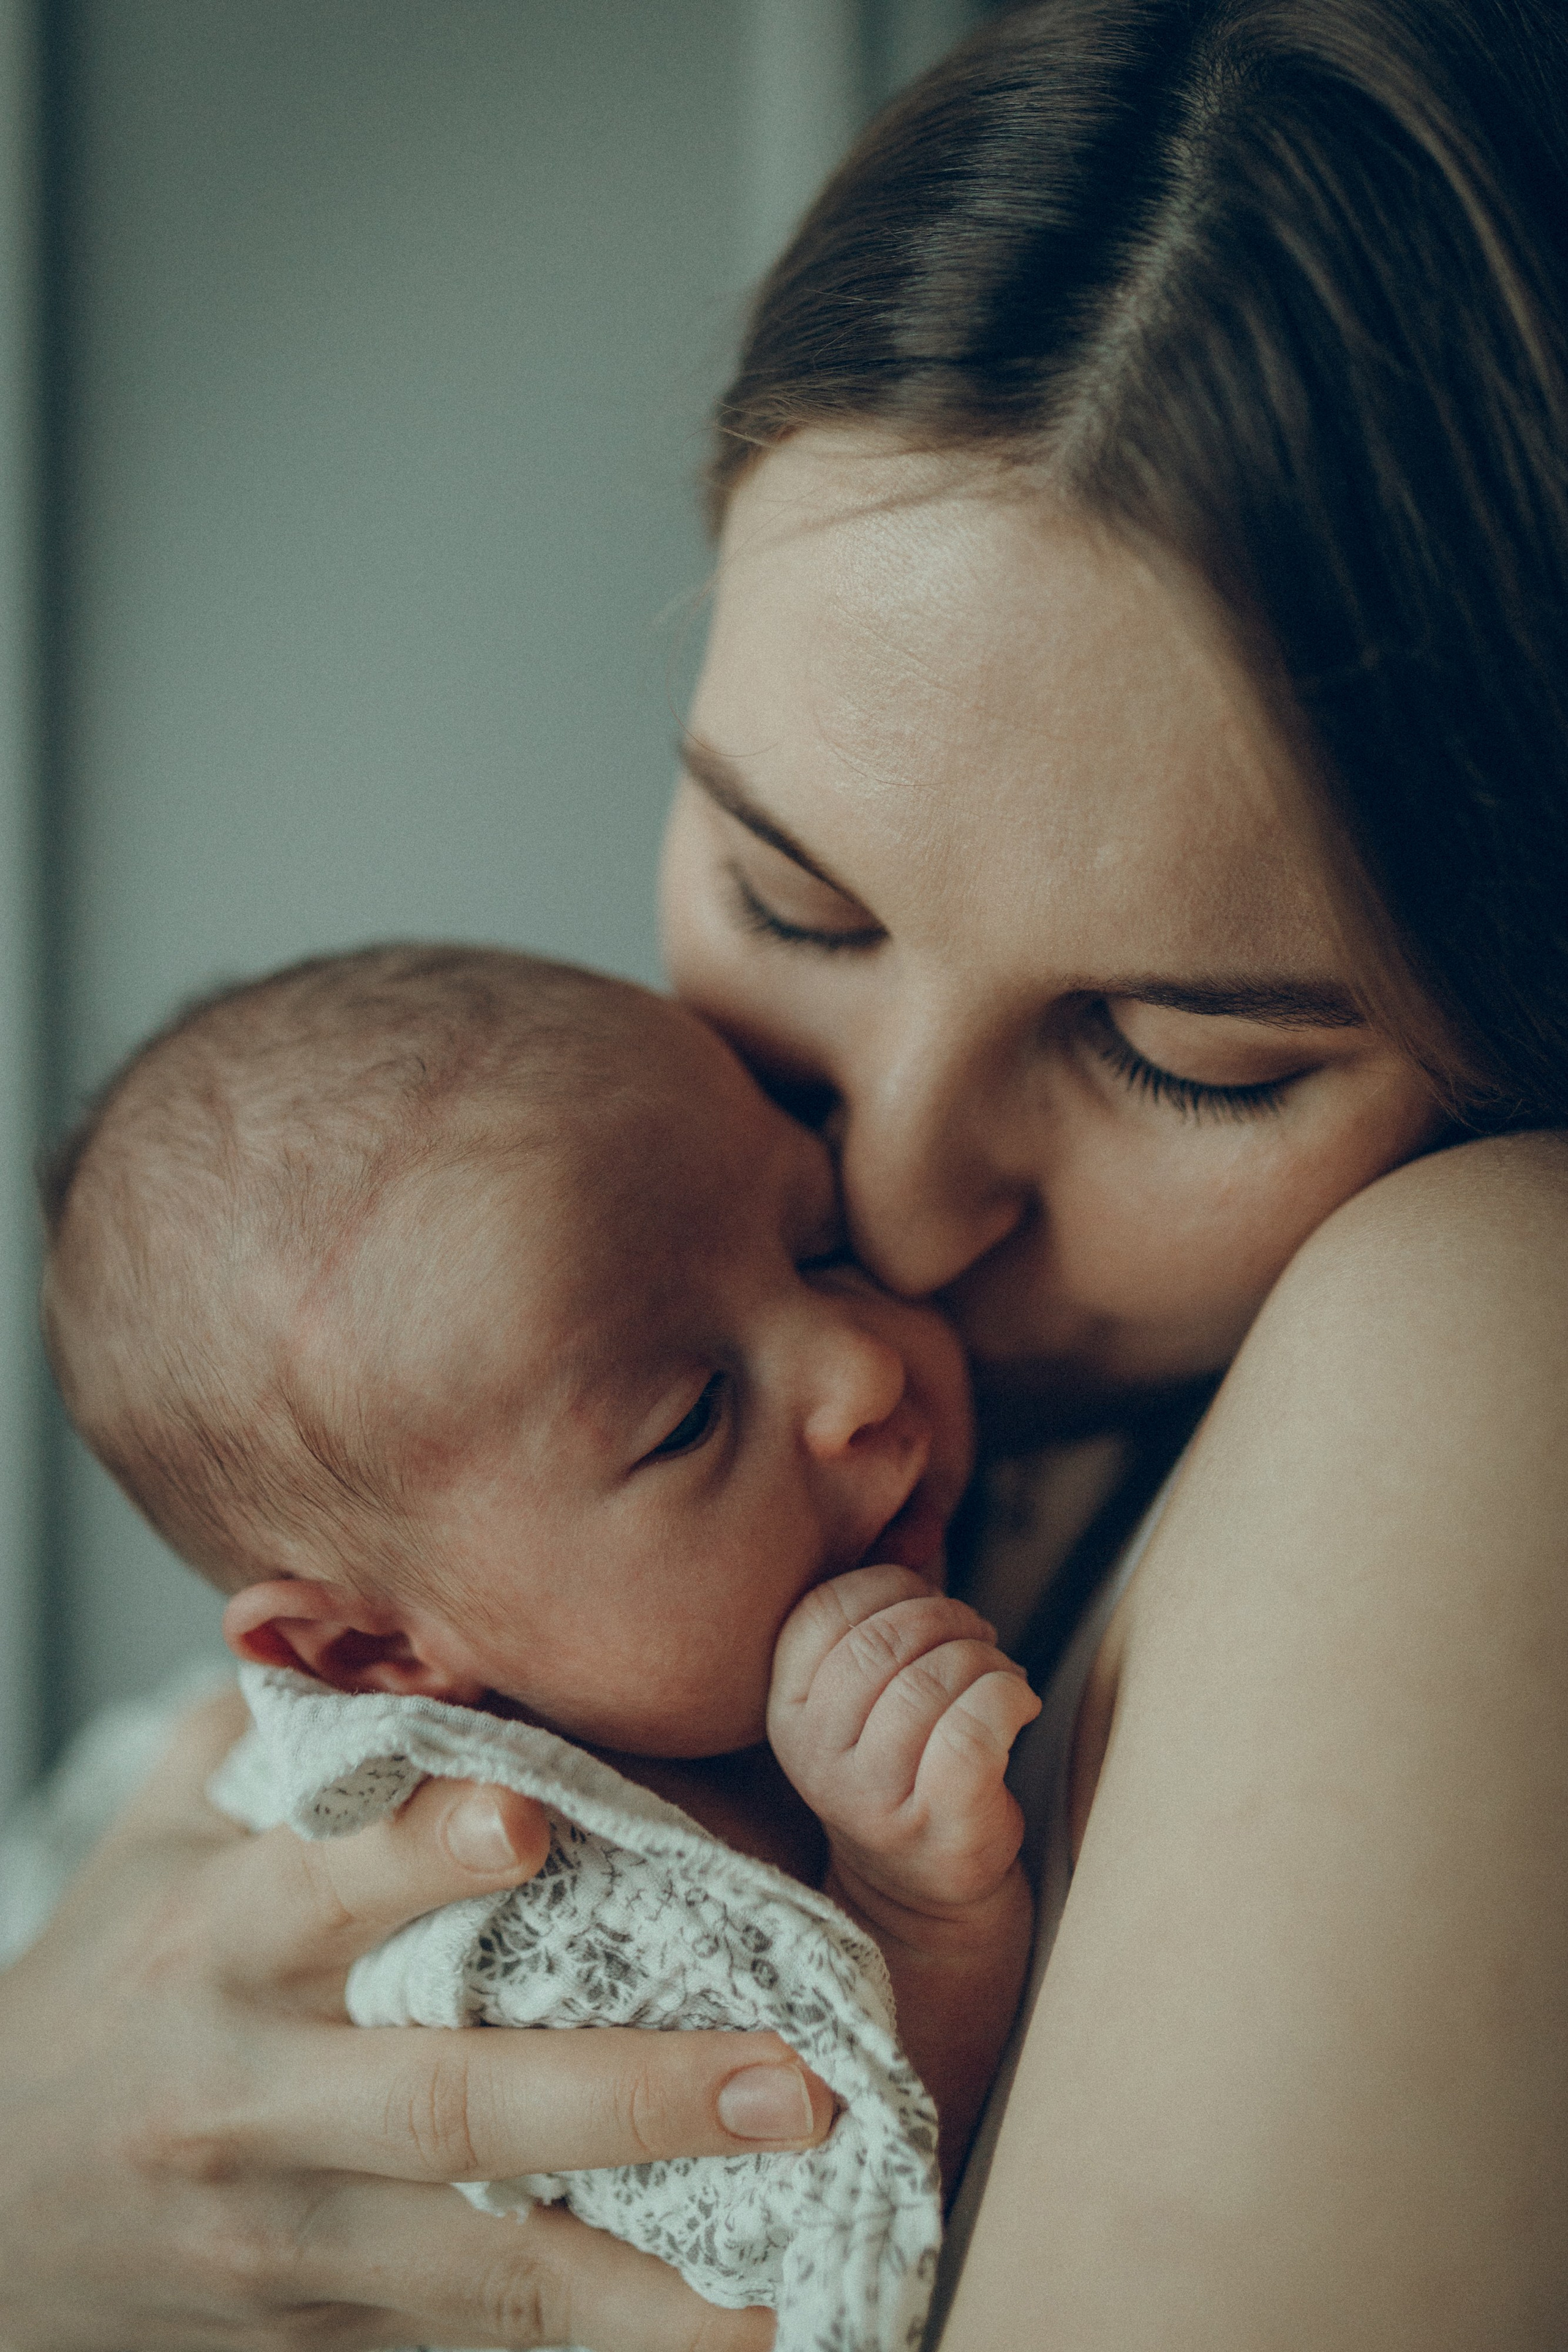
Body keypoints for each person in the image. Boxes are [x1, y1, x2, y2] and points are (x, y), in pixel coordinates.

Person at [4, 1, 1567, 2345]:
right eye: (791, 903)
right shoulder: (488, 1281)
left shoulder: (1472, 1349)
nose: (897, 1215)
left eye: (1182, 1055)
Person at [40, 941, 1033, 2207]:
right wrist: (918, 1924)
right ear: (376, 1658)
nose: (861, 1371)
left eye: (822, 1244)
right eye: (686, 1418)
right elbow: (795, 2234)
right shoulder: (500, 1893)